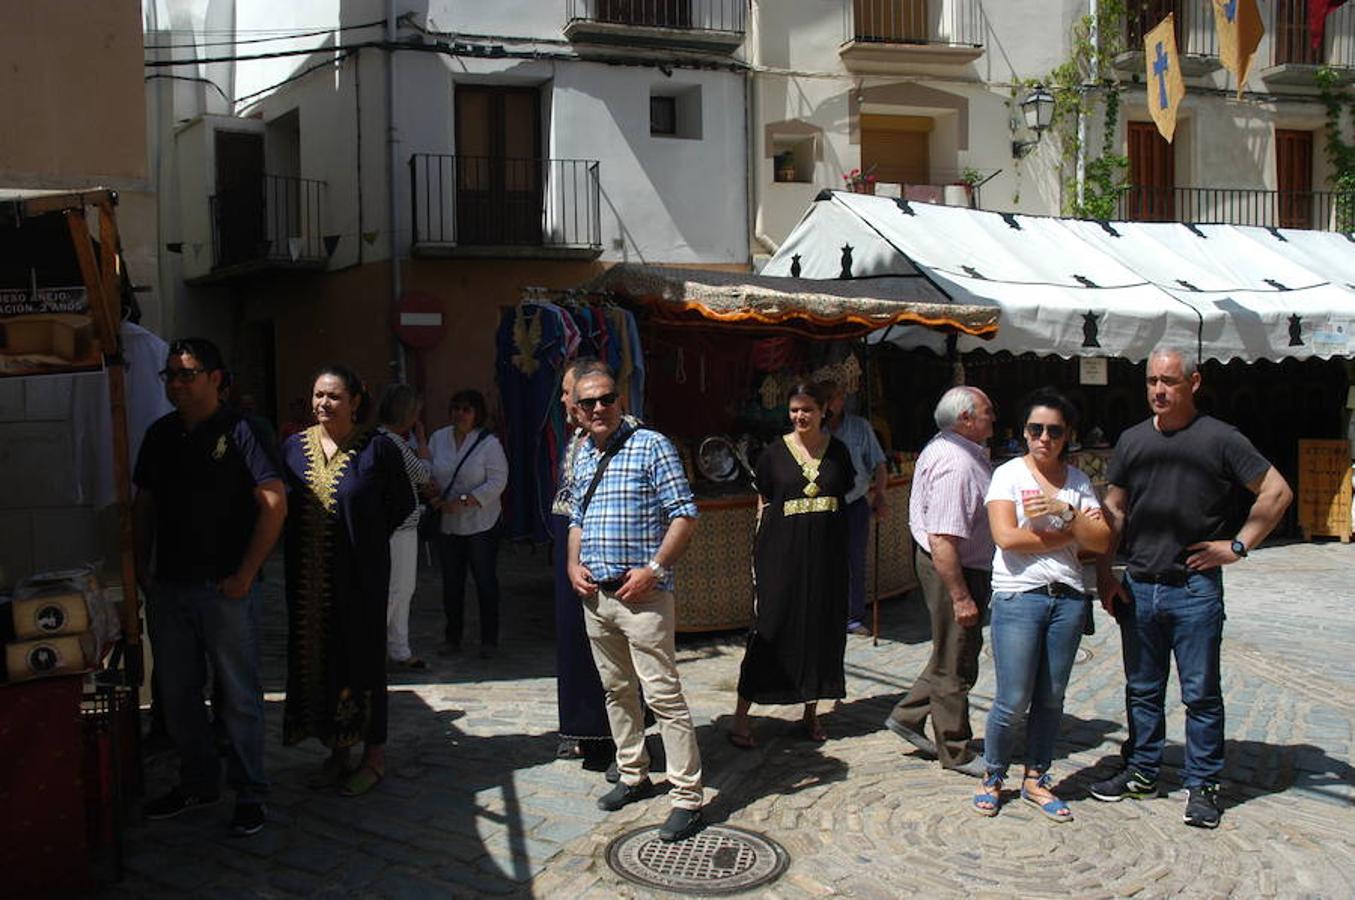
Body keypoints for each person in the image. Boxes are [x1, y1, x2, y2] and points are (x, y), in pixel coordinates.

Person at [1092, 347, 1291, 828]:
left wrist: (1239, 546)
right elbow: (1114, 510)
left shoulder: (1221, 439)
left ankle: (1203, 785)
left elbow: (1277, 490)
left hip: (1194, 589)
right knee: (1142, 690)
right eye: (1152, 381)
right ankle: (1142, 771)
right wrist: (1104, 574)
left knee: (1200, 694)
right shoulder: (1133, 440)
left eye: (1169, 381)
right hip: (1138, 585)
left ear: (1193, 383)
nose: (1159, 390)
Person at [133, 338, 286, 836]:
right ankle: (199, 782)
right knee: (176, 696)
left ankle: (249, 791)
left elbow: (273, 502)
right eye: (170, 375)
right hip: (170, 588)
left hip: (226, 591)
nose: (176, 383)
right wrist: (141, 565)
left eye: (187, 374)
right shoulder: (159, 435)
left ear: (216, 378)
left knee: (239, 696)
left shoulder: (244, 430)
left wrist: (245, 573)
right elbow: (145, 504)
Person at [566, 366, 704, 842]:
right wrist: (571, 564)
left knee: (663, 697)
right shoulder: (585, 452)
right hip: (597, 596)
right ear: (578, 411)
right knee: (616, 690)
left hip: (642, 596)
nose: (598, 408)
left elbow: (684, 513)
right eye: (588, 403)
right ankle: (633, 773)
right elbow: (576, 516)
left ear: (619, 399)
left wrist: (655, 570)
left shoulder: (652, 445)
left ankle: (687, 796)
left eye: (606, 399)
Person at [971, 387, 1111, 821]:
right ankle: (993, 776)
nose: (1044, 438)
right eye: (1036, 429)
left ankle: (1036, 777)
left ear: (1067, 435)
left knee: (1051, 698)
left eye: (1054, 430)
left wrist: (1064, 512)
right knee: (1012, 699)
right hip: (1019, 596)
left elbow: (1103, 540)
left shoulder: (1077, 482)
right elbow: (1006, 537)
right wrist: (1070, 532)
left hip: (1067, 597)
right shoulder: (1008, 475)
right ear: (1024, 432)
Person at [281, 365, 414, 797]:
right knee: (318, 661)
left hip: (360, 580)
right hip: (308, 584)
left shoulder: (378, 450)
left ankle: (372, 757)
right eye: (318, 395)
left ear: (356, 401)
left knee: (362, 661)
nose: (324, 404)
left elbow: (401, 504)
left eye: (334, 396)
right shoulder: (293, 450)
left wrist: (364, 540)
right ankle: (334, 750)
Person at [730, 381, 852, 748]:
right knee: (770, 630)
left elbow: (844, 495)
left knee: (819, 630)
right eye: (795, 410)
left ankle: (810, 715)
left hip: (826, 559)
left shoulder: (839, 453)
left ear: (823, 411)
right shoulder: (773, 455)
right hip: (781, 559)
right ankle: (740, 719)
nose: (800, 416)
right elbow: (764, 502)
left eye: (807, 410)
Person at [884, 386, 996, 778]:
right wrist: (961, 595)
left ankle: (907, 716)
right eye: (986, 412)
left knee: (950, 649)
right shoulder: (957, 464)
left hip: (956, 563)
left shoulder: (949, 447)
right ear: (965, 419)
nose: (993, 418)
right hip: (954, 568)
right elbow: (943, 538)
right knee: (956, 662)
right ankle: (956, 749)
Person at [552, 357, 619, 769]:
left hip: (603, 546)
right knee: (573, 641)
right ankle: (578, 727)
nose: (562, 398)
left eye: (567, 391)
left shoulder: (616, 437)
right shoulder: (575, 439)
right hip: (571, 545)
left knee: (608, 648)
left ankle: (614, 739)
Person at [429, 389, 509, 658]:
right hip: (449, 523)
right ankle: (452, 638)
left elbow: (497, 481)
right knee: (452, 582)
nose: (460, 414)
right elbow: (429, 469)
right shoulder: (438, 438)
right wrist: (432, 491)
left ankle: (489, 639)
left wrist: (465, 501)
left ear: (477, 414)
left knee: (485, 581)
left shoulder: (488, 444)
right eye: (456, 408)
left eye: (467, 409)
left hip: (480, 522)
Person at [824, 380, 888, 636]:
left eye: (836, 397)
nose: (832, 403)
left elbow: (879, 464)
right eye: (827, 398)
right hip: (821, 505)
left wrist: (880, 495)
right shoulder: (813, 430)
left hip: (854, 503)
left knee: (854, 560)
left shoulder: (860, 427)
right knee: (823, 560)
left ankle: (853, 615)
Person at [377, 384, 432, 670]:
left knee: (398, 589)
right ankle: (389, 647)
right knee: (398, 589)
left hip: (394, 528)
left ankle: (397, 647)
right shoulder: (395, 443)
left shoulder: (380, 439)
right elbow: (423, 473)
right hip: (399, 529)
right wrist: (422, 440)